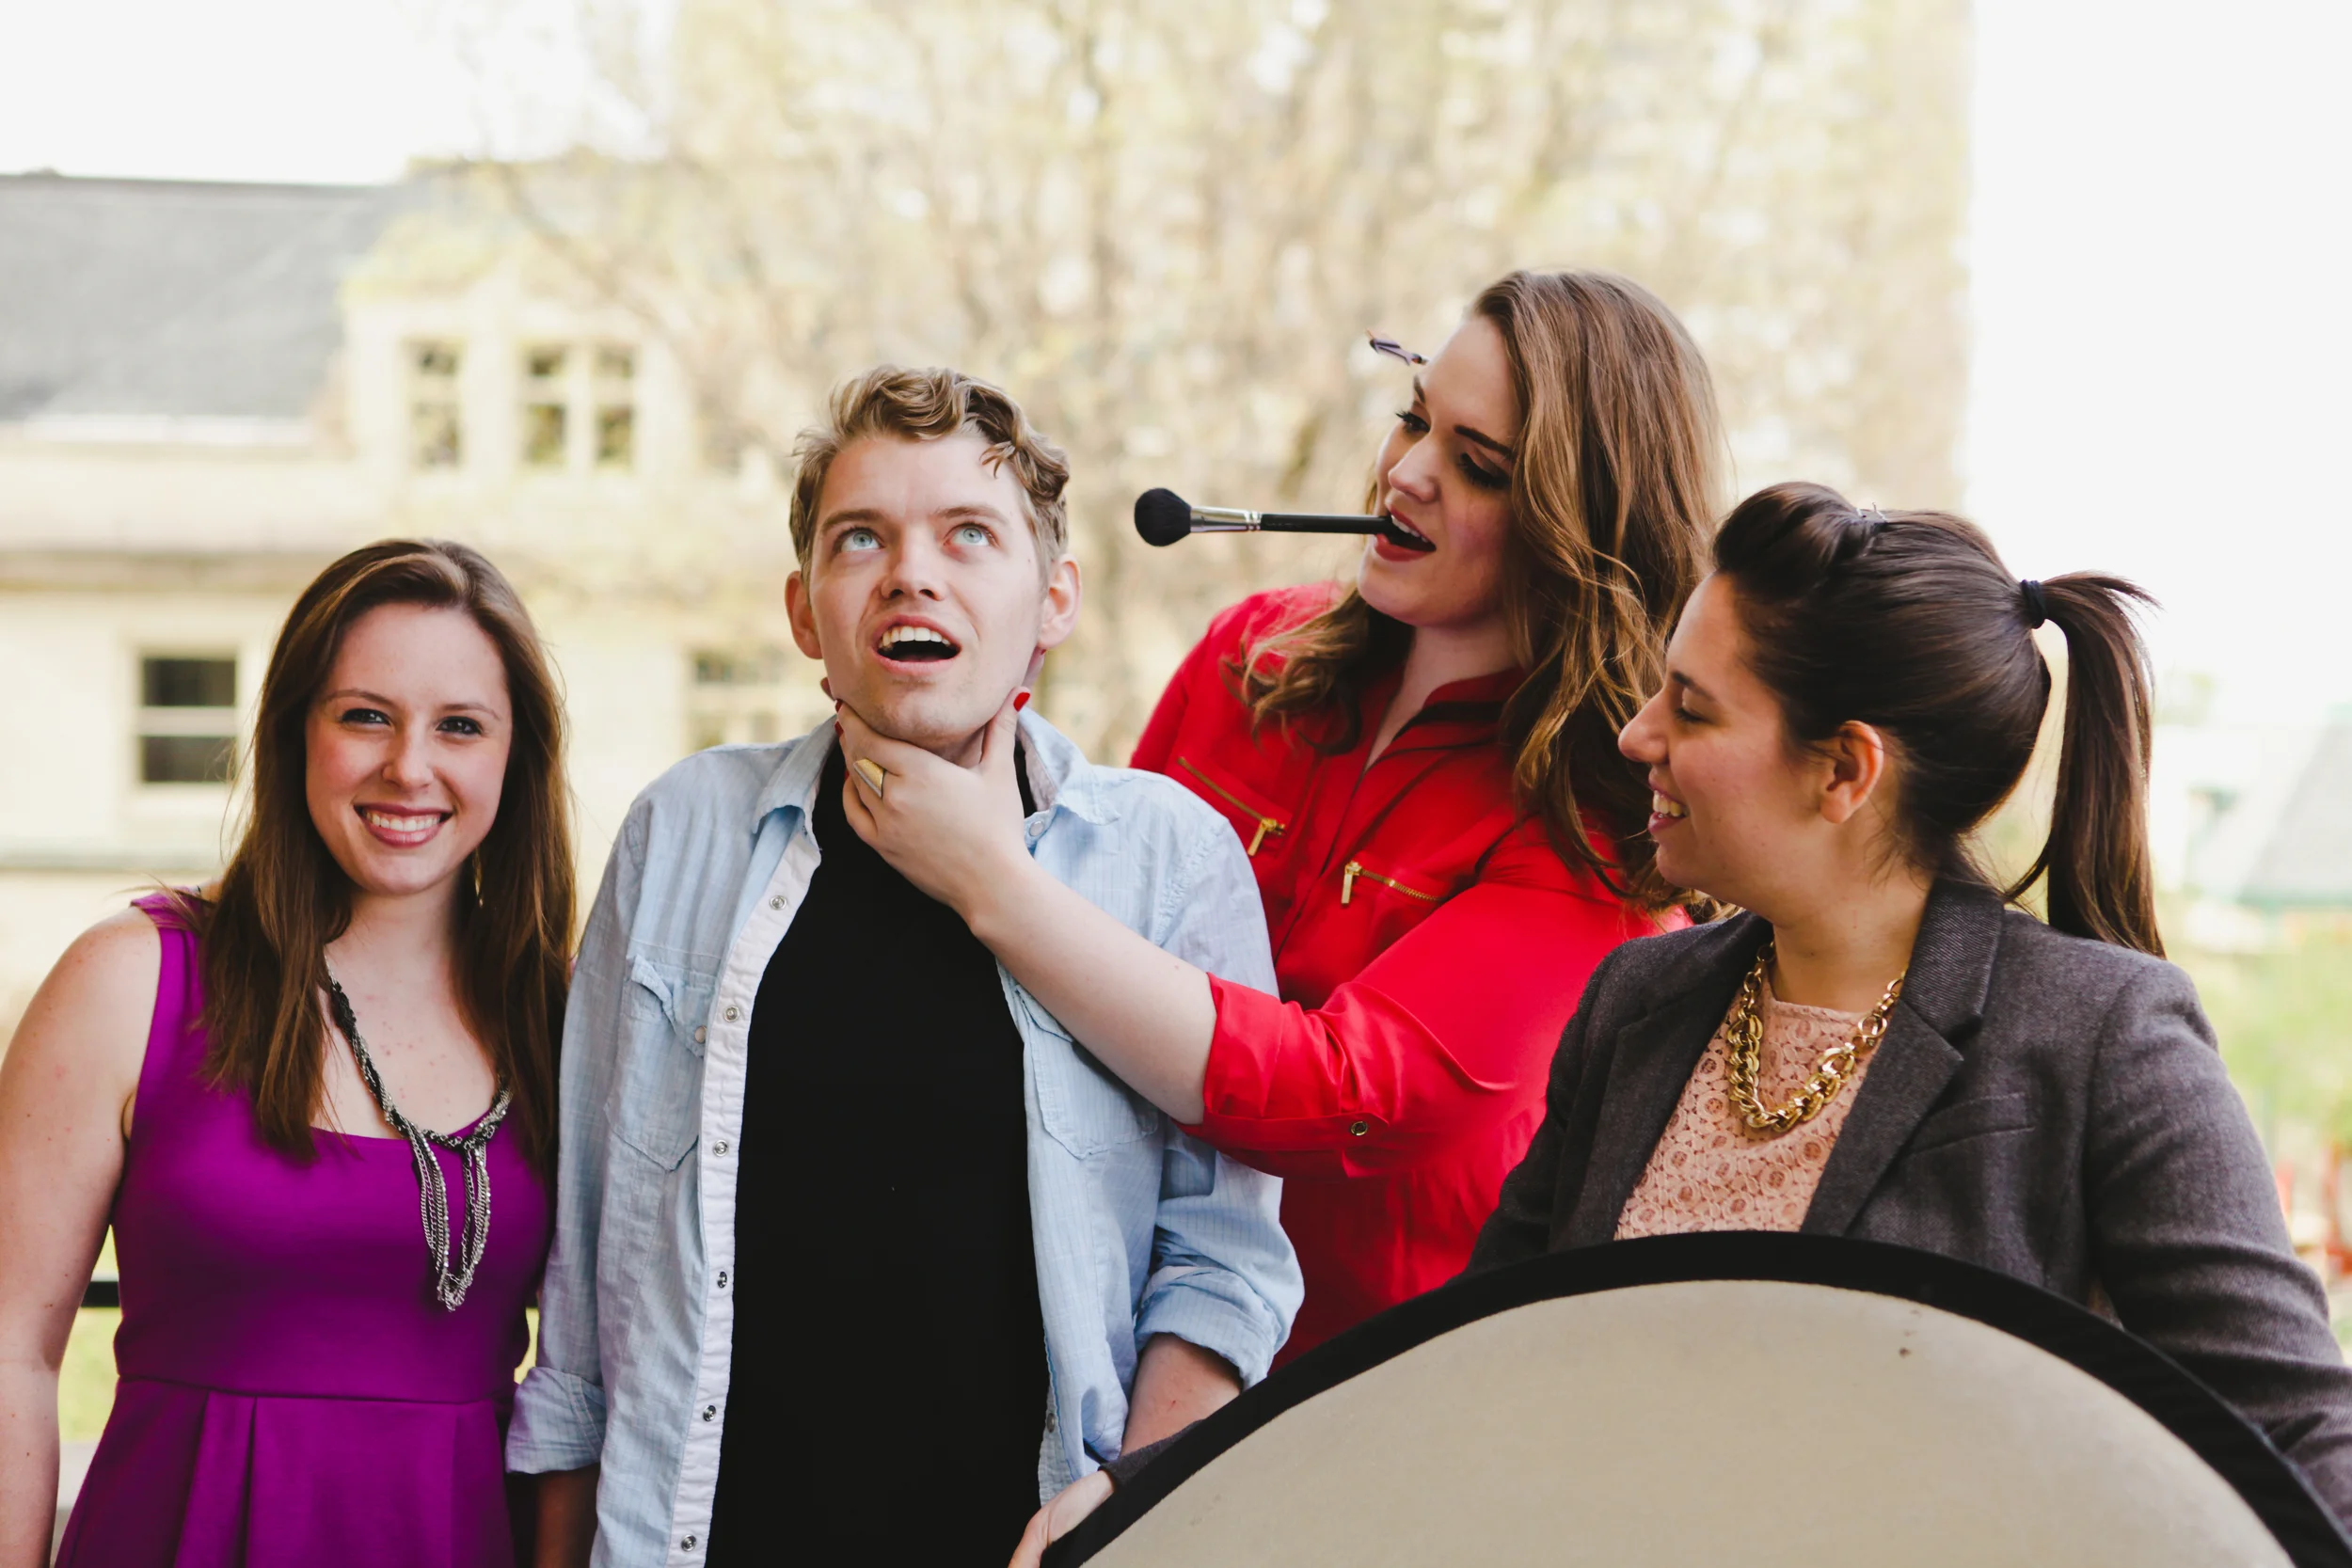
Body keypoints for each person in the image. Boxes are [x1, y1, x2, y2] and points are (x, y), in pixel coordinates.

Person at [838, 269, 1719, 1377]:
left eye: (1478, 464)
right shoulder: (1247, 655)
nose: (1404, 473)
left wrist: (990, 879)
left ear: (1578, 525)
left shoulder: (1596, 838)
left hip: (1374, 1398)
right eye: (1413, 419)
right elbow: (1095, 925)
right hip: (1094, 1335)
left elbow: (1335, 1098)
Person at [509, 366, 1300, 1566]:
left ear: (1054, 598)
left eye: (968, 533)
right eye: (860, 537)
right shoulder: (683, 832)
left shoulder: (1168, 859)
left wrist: (1128, 1511)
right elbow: (582, 1299)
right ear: (804, 611)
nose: (910, 573)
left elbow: (1222, 1255)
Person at [1466, 481, 2352, 1515]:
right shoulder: (1636, 999)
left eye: (1691, 707)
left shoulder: (2104, 1039)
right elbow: (1479, 1354)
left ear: (1844, 769)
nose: (1636, 733)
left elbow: (2297, 1436)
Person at [0, 541, 573, 1568]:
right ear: (294, 730)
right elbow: (11, 1352)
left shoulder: (567, 1016)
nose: (410, 766)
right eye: (365, 715)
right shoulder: (132, 978)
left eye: (460, 725)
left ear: (513, 756)